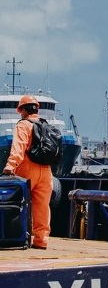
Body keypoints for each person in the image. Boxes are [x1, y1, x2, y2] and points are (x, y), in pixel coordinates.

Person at [3, 95, 54, 250]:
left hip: (27, 170)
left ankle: (19, 237)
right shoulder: (45, 125)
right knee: (42, 207)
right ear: (37, 109)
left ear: (22, 110)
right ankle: (41, 240)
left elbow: (18, 148)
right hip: (46, 171)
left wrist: (10, 167)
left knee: (21, 205)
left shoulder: (23, 125)